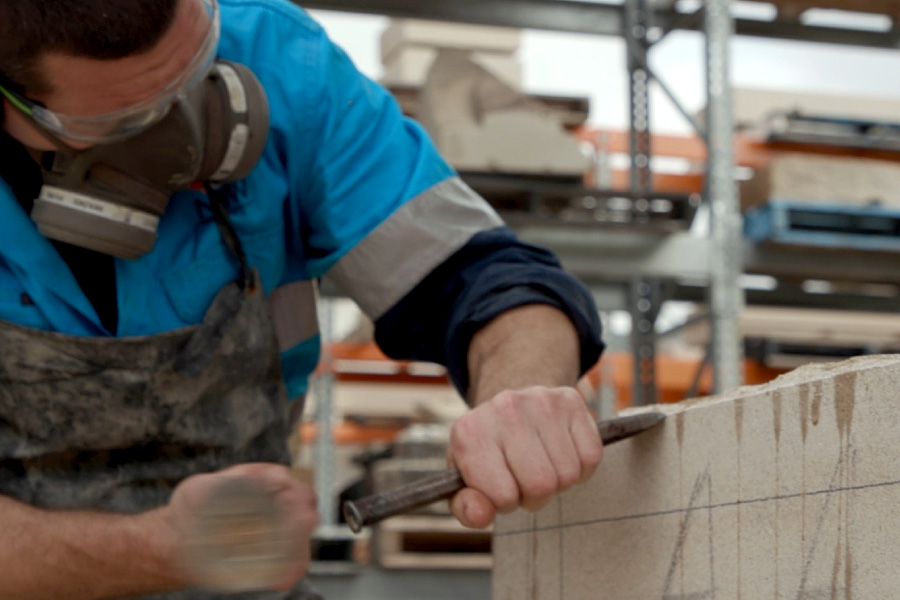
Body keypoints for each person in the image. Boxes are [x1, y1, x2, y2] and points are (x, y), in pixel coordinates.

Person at [0, 0, 606, 598]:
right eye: (128, 120)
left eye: (196, 71)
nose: (186, 135)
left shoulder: (282, 64)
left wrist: (522, 390)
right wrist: (165, 551)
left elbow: (486, 275)